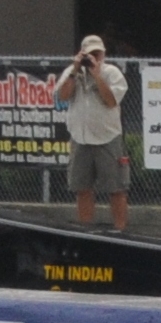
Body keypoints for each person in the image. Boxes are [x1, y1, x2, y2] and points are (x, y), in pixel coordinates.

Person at [54, 35, 129, 231]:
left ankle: (120, 230)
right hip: (80, 138)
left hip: (108, 137)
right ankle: (85, 231)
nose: (94, 58)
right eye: (90, 54)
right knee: (82, 188)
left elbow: (111, 101)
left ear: (103, 54)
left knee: (116, 188)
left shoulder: (111, 73)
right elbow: (62, 97)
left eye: (97, 53)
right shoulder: (72, 72)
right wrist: (75, 70)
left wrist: (97, 75)